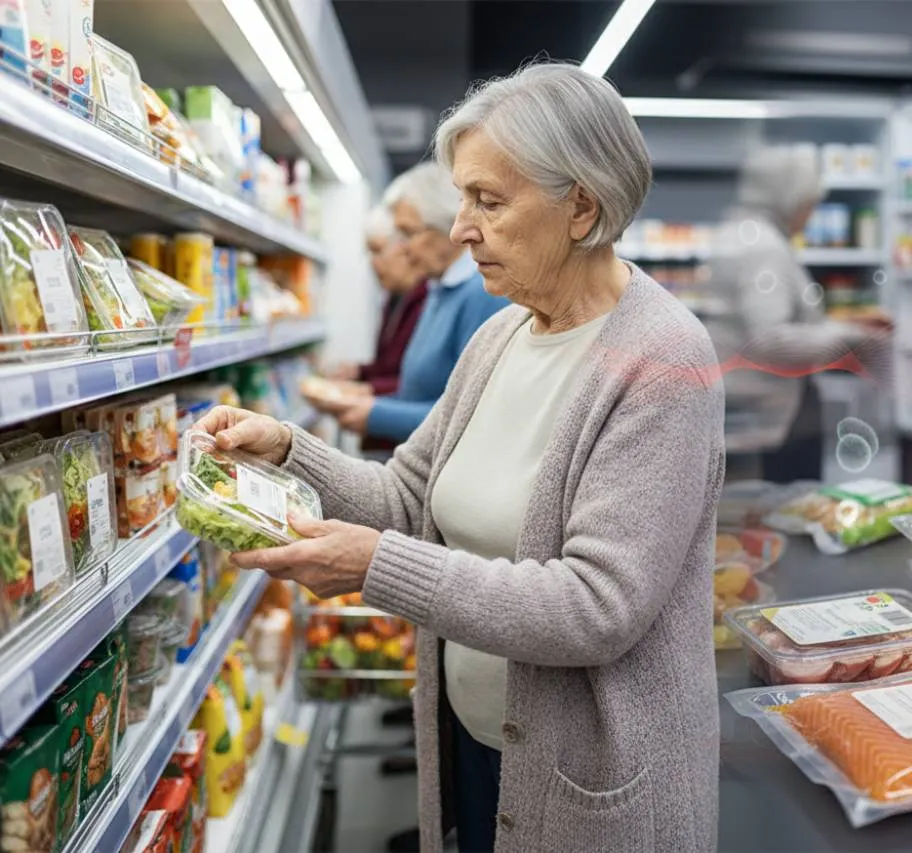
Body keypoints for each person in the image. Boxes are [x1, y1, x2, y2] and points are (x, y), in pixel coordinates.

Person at [195, 62, 723, 853]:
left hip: (587, 782)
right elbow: (407, 500)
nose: (459, 230)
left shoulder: (664, 361)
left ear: (581, 205)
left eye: (488, 200)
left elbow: (595, 607)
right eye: (463, 198)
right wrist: (287, 449)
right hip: (477, 744)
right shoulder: (500, 334)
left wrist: (378, 568)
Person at [700, 144, 891, 482]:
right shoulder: (764, 248)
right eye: (809, 204)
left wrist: (838, 323)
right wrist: (855, 336)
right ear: (787, 197)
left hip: (742, 406)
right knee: (776, 513)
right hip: (769, 417)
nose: (811, 213)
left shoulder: (738, 231)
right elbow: (771, 340)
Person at [316, 162, 508, 442]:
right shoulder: (438, 289)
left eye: (408, 233)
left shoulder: (483, 294)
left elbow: (473, 418)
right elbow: (419, 392)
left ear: (448, 227)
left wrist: (376, 413)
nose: (401, 248)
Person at [324, 205, 425, 397]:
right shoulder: (394, 297)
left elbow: (425, 383)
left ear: (406, 248)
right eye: (369, 253)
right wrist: (359, 372)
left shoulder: (430, 300)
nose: (373, 262)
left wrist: (367, 390)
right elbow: (389, 366)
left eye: (378, 251)